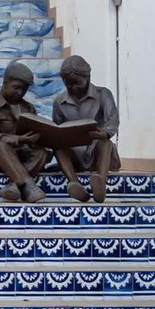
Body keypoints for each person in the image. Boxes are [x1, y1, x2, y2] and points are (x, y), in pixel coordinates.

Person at [51, 54, 121, 203]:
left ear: (87, 77)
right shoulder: (59, 102)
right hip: (75, 154)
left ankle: (100, 183)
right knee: (58, 147)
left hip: (97, 151)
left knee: (105, 143)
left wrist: (105, 132)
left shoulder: (103, 94)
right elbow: (56, 127)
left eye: (77, 83)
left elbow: (113, 120)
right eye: (68, 84)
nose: (73, 87)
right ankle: (75, 184)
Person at [0, 61, 48, 203]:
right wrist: (20, 139)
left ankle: (15, 185)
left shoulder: (29, 108)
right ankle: (29, 185)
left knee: (42, 152)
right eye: (16, 88)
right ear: (5, 83)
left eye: (24, 90)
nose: (20, 93)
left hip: (23, 155)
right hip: (0, 158)